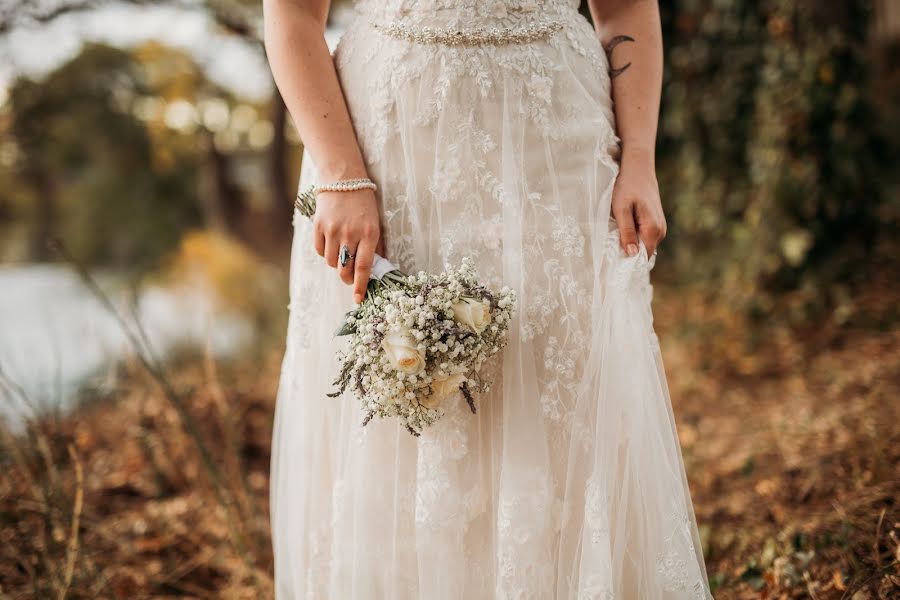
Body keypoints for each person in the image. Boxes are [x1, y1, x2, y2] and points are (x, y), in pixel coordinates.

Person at [264, 0, 712, 597]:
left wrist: (639, 158)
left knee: (563, 389)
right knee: (411, 404)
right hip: (391, 146)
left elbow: (627, 7)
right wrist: (342, 175)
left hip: (558, 145)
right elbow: (292, 13)